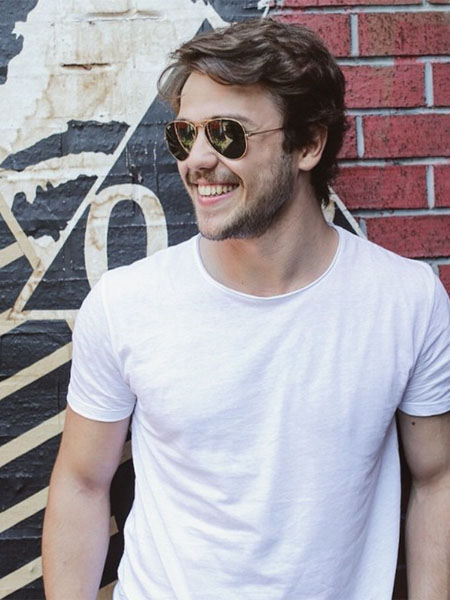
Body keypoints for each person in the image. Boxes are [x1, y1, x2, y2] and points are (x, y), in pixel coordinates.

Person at [42, 18, 450, 600]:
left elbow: (437, 479)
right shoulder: (125, 303)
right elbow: (82, 483)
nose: (196, 160)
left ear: (307, 144)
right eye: (184, 135)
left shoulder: (406, 301)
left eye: (226, 134)